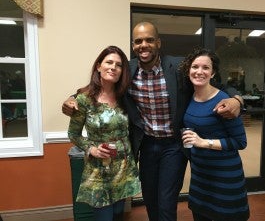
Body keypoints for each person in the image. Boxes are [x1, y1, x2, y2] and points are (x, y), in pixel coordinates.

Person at [63, 22, 243, 221]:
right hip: (147, 145)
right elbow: (101, 85)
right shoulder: (128, 70)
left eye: (149, 40)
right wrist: (72, 99)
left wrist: (237, 99)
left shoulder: (178, 67)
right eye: (138, 41)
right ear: (133, 45)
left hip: (173, 146)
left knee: (166, 202)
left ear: (158, 42)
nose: (144, 45)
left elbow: (219, 84)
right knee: (150, 199)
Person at [67, 45, 141, 221]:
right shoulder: (84, 99)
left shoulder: (126, 97)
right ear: (98, 66)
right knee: (104, 217)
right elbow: (73, 134)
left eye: (119, 64)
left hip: (123, 167)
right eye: (109, 62)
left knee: (117, 214)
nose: (113, 67)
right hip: (99, 168)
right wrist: (91, 149)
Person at [180, 47, 250, 221]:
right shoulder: (189, 96)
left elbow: (240, 142)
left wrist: (203, 143)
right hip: (200, 175)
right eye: (195, 67)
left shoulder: (224, 101)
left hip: (224, 176)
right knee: (201, 215)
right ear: (189, 69)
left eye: (206, 68)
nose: (199, 72)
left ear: (213, 73)